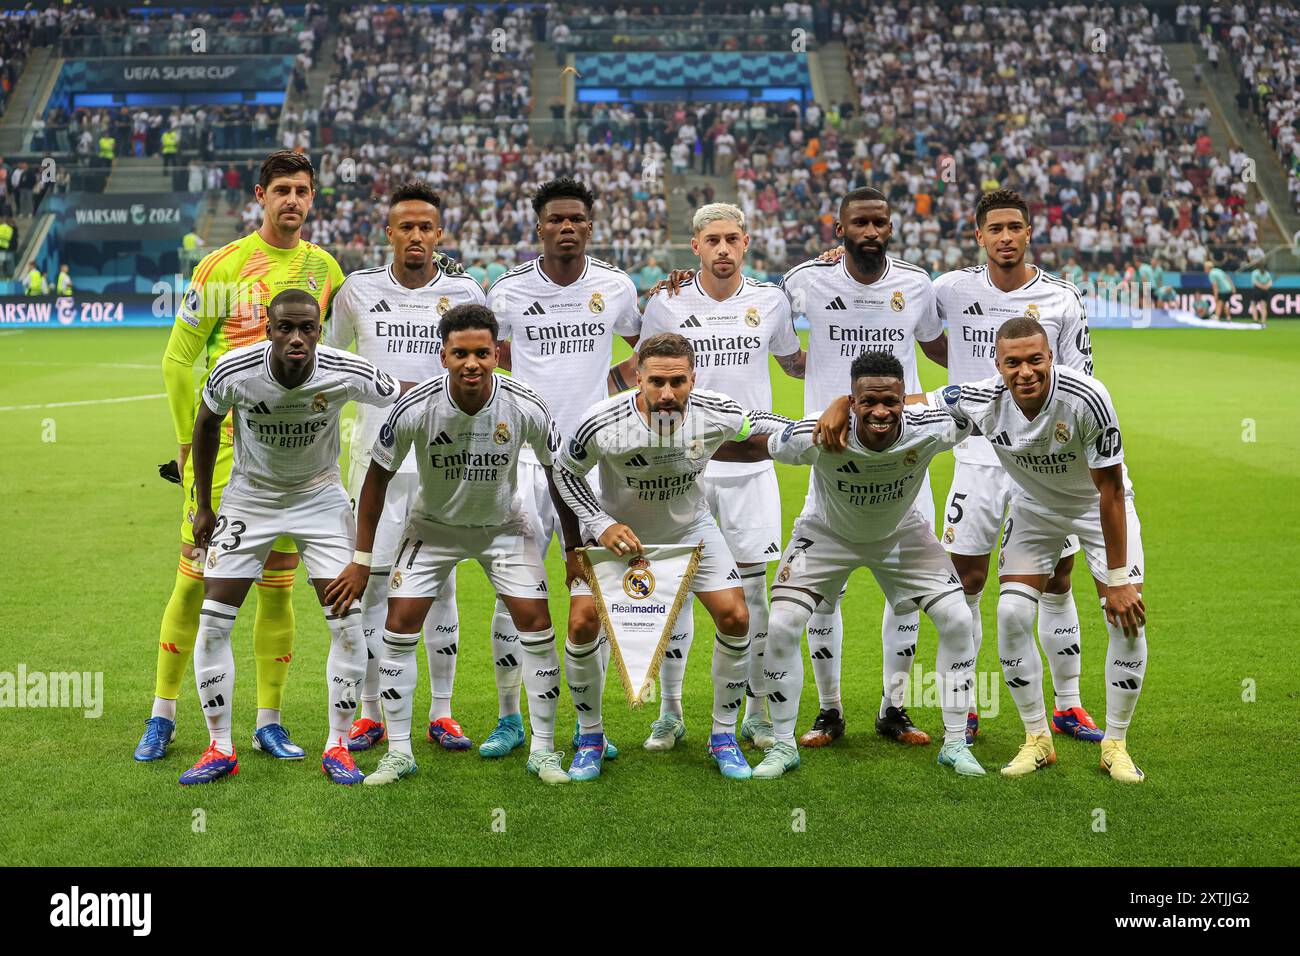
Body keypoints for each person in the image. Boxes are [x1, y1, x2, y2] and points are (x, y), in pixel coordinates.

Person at [134, 150, 346, 764]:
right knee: (195, 585)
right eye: (282, 189)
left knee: (278, 591)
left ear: (312, 198)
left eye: (303, 190)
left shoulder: (325, 269)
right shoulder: (220, 268)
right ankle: (163, 715)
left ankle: (268, 722)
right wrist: (184, 443)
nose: (293, 200)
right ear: (260, 196)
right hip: (225, 458)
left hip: (292, 461)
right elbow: (179, 357)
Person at [326, 304, 572, 787]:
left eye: (482, 352)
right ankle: (399, 752)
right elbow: (376, 481)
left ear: (498, 354)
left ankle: (543, 750)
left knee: (537, 625)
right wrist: (361, 559)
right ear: (444, 356)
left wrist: (574, 549)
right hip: (432, 528)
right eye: (460, 353)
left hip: (504, 527)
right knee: (398, 627)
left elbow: (556, 473)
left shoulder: (526, 405)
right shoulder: (415, 407)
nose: (472, 363)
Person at [713, 350, 983, 779]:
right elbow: (754, 439)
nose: (880, 412)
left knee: (956, 619)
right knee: (782, 624)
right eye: (868, 401)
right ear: (852, 402)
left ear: (904, 400)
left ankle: (954, 744)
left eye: (891, 402)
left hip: (901, 533)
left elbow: (982, 401)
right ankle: (783, 746)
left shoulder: (932, 429)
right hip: (826, 534)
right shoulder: (819, 434)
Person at [179, 289, 406, 785]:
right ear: (269, 329)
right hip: (250, 497)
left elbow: (403, 395)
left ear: (320, 331)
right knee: (214, 620)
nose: (297, 338)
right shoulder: (234, 371)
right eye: (286, 328)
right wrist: (203, 504)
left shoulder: (347, 370)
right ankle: (219, 746)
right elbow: (206, 425)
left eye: (308, 328)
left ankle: (338, 746)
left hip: (320, 499)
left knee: (345, 623)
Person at [554, 332, 766, 782]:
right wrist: (597, 525)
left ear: (693, 378)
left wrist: (829, 416)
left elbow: (760, 423)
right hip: (618, 538)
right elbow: (564, 472)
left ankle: (723, 736)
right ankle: (590, 737)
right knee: (580, 623)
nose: (667, 394)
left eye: (678, 382)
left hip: (692, 530)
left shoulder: (716, 411)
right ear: (637, 378)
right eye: (656, 382)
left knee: (735, 617)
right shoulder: (601, 422)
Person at [780, 186, 948, 750]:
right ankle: (829, 711)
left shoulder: (917, 284)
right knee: (823, 592)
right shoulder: (805, 280)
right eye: (861, 223)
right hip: (832, 454)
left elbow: (935, 350)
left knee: (906, 597)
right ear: (839, 229)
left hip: (902, 452)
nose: (871, 232)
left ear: (892, 228)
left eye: (880, 222)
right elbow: (781, 346)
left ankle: (893, 710)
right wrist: (822, 395)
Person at [931, 188, 1101, 743]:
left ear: (1029, 233)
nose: (1005, 237)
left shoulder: (1061, 298)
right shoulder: (950, 290)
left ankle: (1068, 705)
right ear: (977, 236)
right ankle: (969, 703)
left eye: (1015, 227)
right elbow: (895, 300)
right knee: (966, 580)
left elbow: (1079, 381)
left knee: (1056, 579)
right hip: (978, 455)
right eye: (995, 229)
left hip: (1043, 462)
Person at [322, 180, 486, 753]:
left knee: (441, 591)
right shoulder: (357, 292)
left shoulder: (465, 290)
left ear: (440, 234)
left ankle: (441, 712)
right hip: (375, 466)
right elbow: (335, 367)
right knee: (368, 587)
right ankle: (369, 712)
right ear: (388, 233)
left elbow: (481, 371)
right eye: (405, 227)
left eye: (426, 228)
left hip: (447, 466)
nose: (416, 236)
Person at [635, 203, 804, 752]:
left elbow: (795, 362)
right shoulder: (667, 301)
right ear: (696, 246)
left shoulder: (771, 301)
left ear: (747, 242)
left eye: (733, 238)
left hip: (751, 470)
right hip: (682, 473)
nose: (724, 249)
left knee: (752, 595)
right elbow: (643, 372)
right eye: (713, 240)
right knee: (676, 593)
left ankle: (754, 712)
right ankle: (670, 712)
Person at [484, 177, 642, 760]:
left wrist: (611, 384)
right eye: (556, 220)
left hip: (596, 461)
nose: (567, 227)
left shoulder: (617, 287)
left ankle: (587, 725)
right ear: (540, 226)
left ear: (591, 225)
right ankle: (509, 719)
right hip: (522, 460)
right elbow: (491, 356)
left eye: (577, 218)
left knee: (590, 591)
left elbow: (644, 349)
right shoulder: (507, 291)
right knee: (514, 592)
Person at [1249, 262, 1272, 326]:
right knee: (1263, 307)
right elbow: (1270, 282)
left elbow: (1255, 282)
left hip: (1257, 290)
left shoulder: (1255, 272)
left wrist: (1262, 287)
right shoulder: (1267, 273)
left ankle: (1255, 320)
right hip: (1265, 291)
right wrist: (1266, 287)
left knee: (1253, 305)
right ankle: (1263, 321)